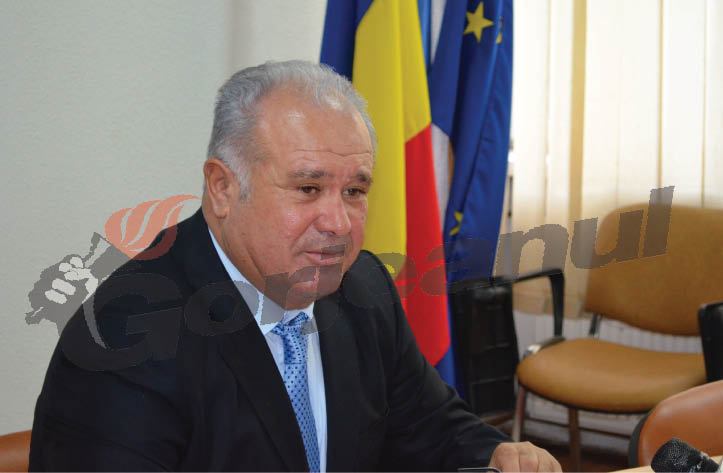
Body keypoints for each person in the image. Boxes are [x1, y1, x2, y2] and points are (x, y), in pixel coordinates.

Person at [29, 60, 561, 472]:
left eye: (354, 191)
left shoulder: (363, 286)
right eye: (308, 188)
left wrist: (498, 454)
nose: (339, 223)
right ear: (223, 188)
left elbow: (430, 426)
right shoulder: (123, 340)